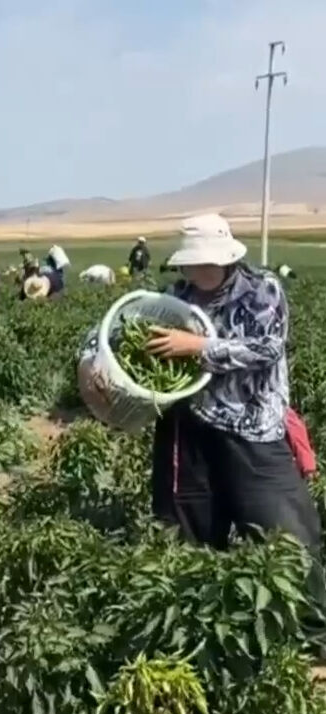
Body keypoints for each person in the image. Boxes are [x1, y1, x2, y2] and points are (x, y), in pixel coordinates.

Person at [79, 214, 324, 635]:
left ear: (227, 259)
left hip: (252, 426)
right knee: (188, 529)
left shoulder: (262, 291)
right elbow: (115, 331)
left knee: (282, 528)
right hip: (188, 428)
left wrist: (199, 347)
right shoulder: (176, 297)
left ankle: (313, 628)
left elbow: (267, 348)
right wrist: (92, 364)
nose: (197, 272)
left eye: (204, 263)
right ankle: (201, 624)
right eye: (191, 265)